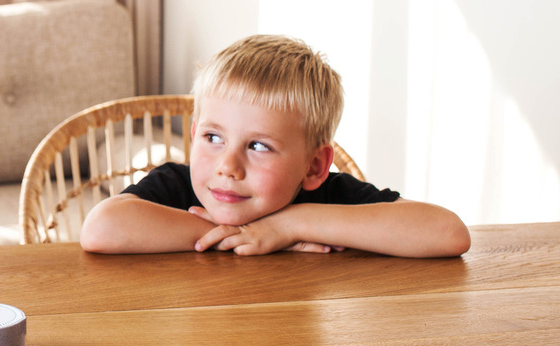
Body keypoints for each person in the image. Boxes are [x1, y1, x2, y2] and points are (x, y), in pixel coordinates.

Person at [80, 35, 471, 257]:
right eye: (213, 137)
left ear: (314, 167)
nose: (228, 166)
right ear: (195, 130)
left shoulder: (328, 196)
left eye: (259, 146)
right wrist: (242, 232)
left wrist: (288, 225)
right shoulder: (178, 186)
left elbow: (447, 232)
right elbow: (100, 229)